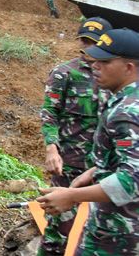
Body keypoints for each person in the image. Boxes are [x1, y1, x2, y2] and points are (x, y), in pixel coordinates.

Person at [37, 28, 139, 254]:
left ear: (128, 68)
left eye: (105, 62)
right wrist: (94, 171)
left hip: (119, 233)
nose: (95, 66)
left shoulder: (127, 112)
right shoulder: (127, 100)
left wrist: (72, 196)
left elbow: (132, 180)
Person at [38, 18, 112, 255]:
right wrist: (51, 148)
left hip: (105, 168)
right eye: (85, 41)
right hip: (70, 165)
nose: (88, 47)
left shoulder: (114, 77)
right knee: (57, 232)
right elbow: (49, 111)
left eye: (94, 42)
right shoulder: (65, 73)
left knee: (103, 232)